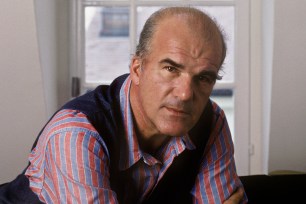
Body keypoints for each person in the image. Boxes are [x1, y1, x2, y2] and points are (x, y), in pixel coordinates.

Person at [0, 7, 247, 204]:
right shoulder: (75, 134)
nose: (184, 94)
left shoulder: (210, 120)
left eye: (204, 78)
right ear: (137, 69)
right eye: (171, 69)